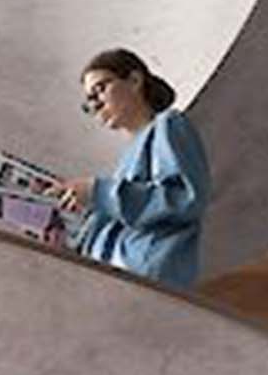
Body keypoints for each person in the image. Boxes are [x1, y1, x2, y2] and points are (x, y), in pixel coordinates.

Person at [54, 48, 209, 290]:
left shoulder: (167, 125)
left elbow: (184, 198)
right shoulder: (127, 157)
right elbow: (123, 217)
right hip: (113, 280)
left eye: (100, 90)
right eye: (89, 102)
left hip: (147, 274)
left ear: (134, 81)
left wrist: (98, 192)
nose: (96, 105)